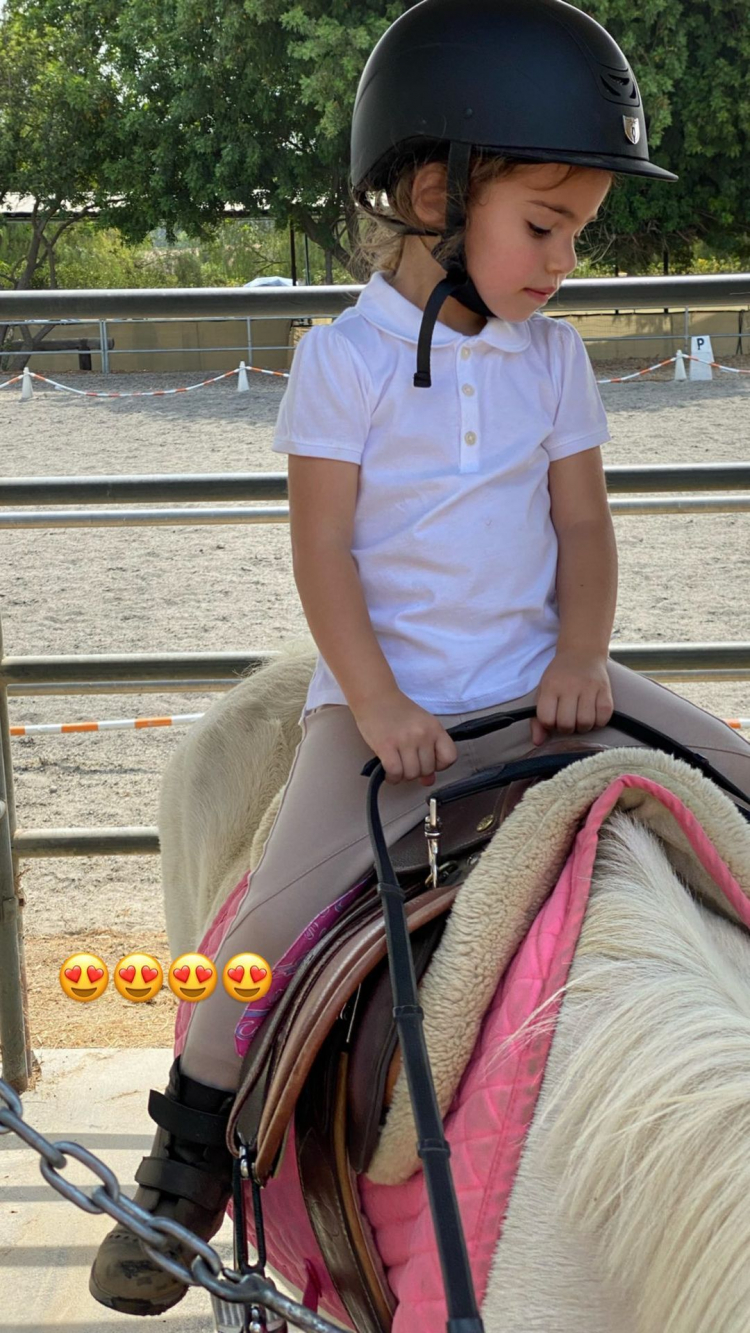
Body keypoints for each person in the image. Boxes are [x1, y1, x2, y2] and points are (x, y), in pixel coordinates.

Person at [90, 0, 750, 1316]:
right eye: (542, 228)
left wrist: (581, 655)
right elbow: (325, 555)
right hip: (381, 704)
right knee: (272, 922)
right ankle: (184, 1166)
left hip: (539, 681)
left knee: (737, 776)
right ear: (438, 199)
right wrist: (380, 702)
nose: (563, 263)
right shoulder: (339, 366)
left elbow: (582, 527)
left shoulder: (553, 361)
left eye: (577, 234)